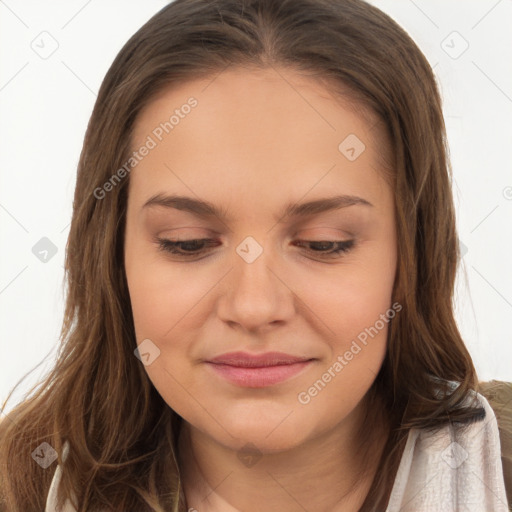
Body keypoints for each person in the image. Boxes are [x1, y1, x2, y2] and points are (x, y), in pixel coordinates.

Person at [0, 0, 509, 511]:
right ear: (113, 257)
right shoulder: (19, 482)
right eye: (188, 243)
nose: (253, 306)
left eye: (323, 244)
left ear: (413, 255)